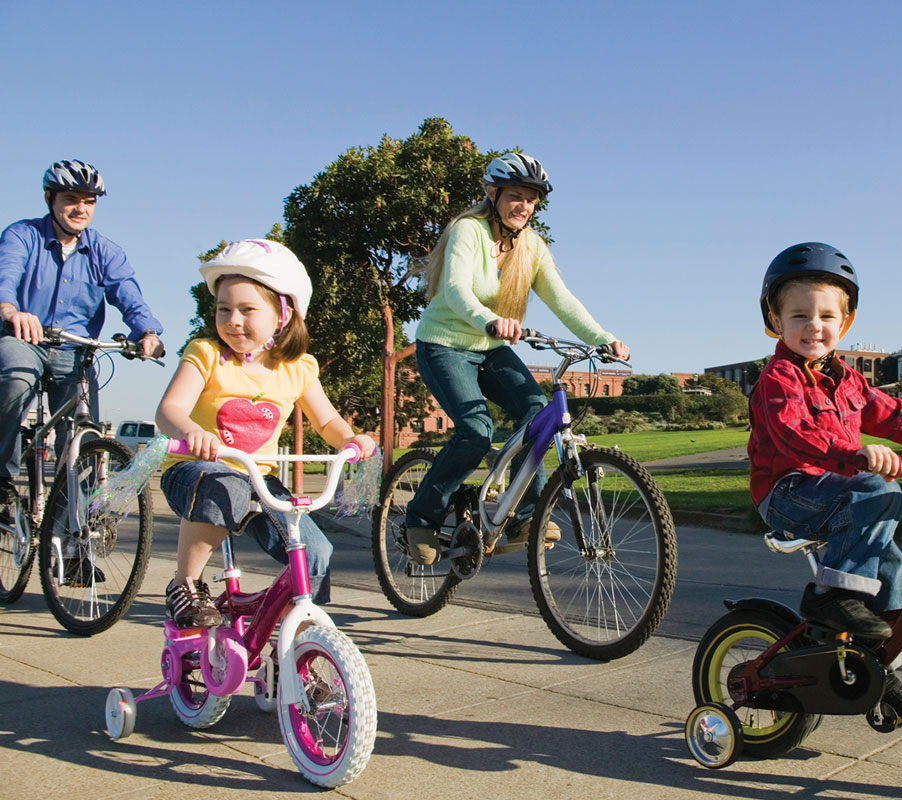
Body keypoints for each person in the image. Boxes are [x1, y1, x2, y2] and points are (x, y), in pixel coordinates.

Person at [748, 242, 902, 720]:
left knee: (893, 570)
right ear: (776, 322)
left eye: (825, 316)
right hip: (789, 493)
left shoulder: (850, 382)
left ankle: (878, 671)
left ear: (846, 323)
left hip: (839, 494)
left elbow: (898, 416)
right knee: (879, 489)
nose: (813, 326)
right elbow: (796, 432)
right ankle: (832, 598)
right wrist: (853, 454)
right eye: (798, 315)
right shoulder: (779, 379)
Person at [403, 152, 629, 565]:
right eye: (515, 196)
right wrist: (489, 320)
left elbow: (561, 299)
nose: (524, 206)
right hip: (444, 344)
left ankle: (525, 518)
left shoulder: (532, 247)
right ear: (493, 194)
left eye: (531, 199)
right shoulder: (468, 231)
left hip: (490, 348)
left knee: (536, 412)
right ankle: (420, 518)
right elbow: (454, 290)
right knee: (475, 429)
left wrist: (603, 338)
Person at [155, 239, 376, 627]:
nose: (233, 320)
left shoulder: (298, 367)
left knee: (315, 552)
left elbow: (326, 421)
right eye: (224, 309)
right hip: (194, 470)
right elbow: (169, 410)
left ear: (282, 315)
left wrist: (350, 440)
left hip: (259, 479)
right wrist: (192, 431)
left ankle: (302, 640)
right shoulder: (206, 354)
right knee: (226, 486)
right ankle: (185, 585)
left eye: (247, 309)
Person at [0, 160, 163, 536]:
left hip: (76, 351)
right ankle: (3, 483)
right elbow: (5, 275)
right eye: (71, 199)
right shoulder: (22, 235)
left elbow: (129, 295)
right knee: (14, 381)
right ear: (50, 199)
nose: (80, 209)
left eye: (89, 201)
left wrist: (147, 333)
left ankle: (74, 541)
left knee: (83, 438)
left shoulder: (106, 252)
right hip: (26, 338)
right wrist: (11, 310)